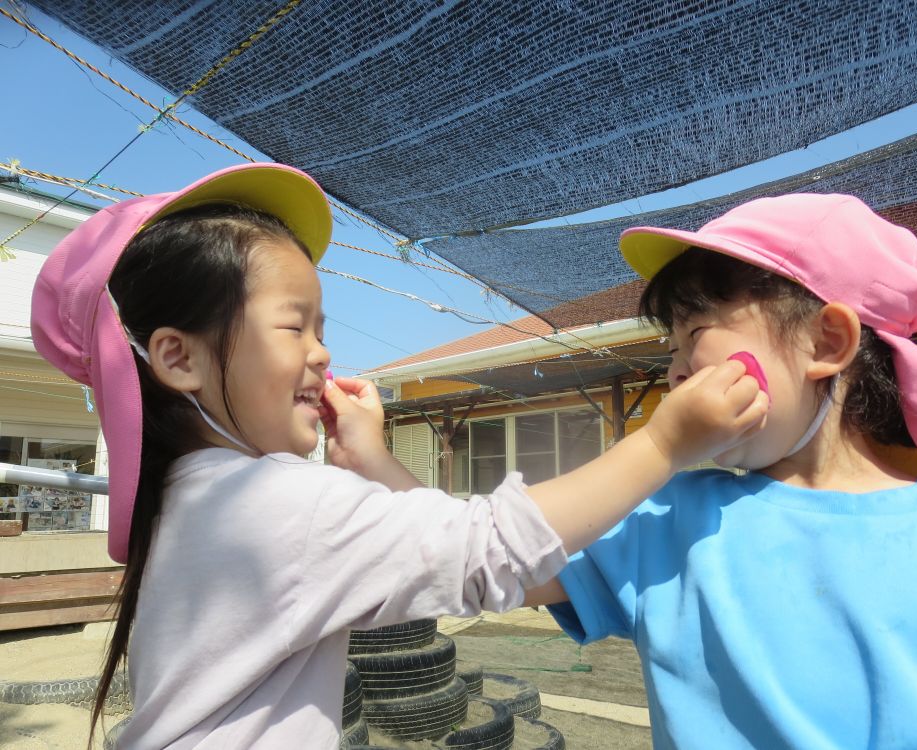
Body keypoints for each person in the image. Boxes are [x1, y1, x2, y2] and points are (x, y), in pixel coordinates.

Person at [30, 163, 766, 749]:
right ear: (175, 358)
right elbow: (488, 551)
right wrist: (666, 442)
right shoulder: (270, 503)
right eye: (295, 327)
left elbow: (418, 541)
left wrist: (371, 458)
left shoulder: (202, 498)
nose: (323, 354)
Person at [516, 193, 917, 748]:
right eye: (669, 347)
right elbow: (486, 559)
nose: (674, 372)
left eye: (695, 335)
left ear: (828, 340)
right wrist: (386, 463)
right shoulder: (666, 519)